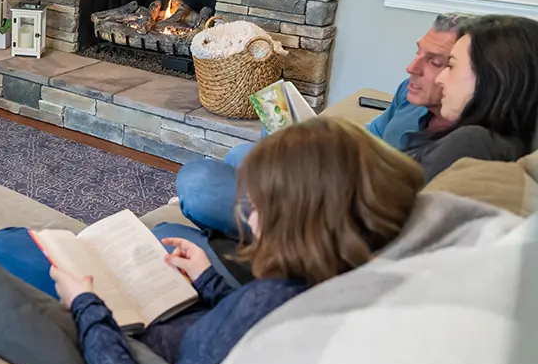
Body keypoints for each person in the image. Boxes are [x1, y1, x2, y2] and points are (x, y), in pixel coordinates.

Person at [0, 117, 424, 364]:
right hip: (184, 323)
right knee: (13, 243)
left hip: (130, 353)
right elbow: (244, 327)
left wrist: (88, 305)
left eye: (256, 203)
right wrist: (209, 281)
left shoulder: (268, 308)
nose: (248, 214)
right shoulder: (328, 286)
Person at [176, 13, 468, 237]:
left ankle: (263, 234)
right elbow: (370, 135)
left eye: (436, 62)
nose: (412, 67)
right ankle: (251, 218)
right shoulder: (409, 93)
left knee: (196, 180)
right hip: (332, 180)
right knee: (242, 154)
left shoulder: (462, 144)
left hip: (337, 214)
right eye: (418, 52)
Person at [407, 14, 538, 182]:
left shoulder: (473, 142)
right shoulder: (505, 142)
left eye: (450, 65)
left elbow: (395, 203)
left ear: (491, 78)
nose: (440, 79)